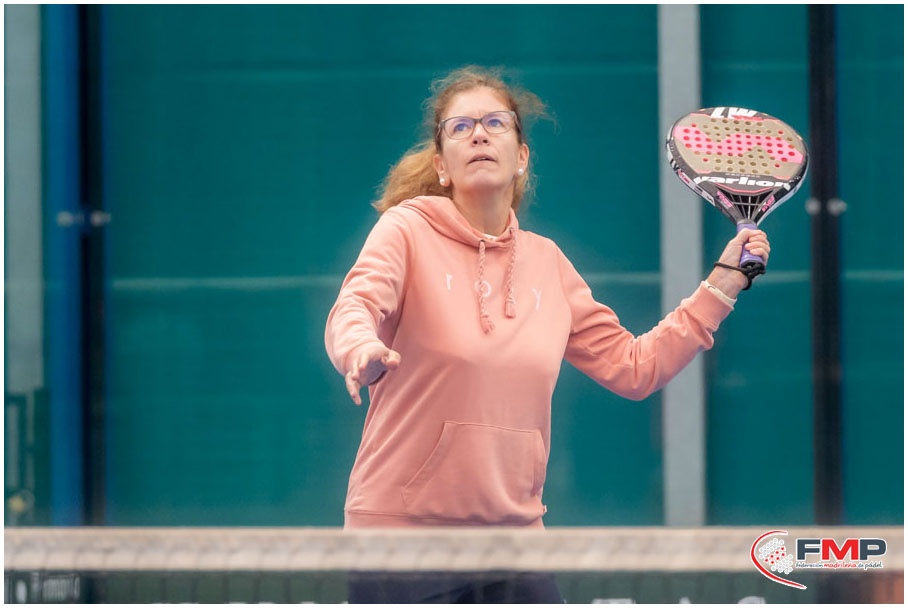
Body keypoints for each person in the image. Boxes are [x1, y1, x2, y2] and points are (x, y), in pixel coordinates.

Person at [324, 66, 770, 603]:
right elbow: (357, 304)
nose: (479, 134)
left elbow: (634, 368)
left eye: (495, 122)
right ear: (441, 166)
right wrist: (360, 348)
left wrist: (723, 283)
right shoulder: (406, 230)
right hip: (401, 544)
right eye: (460, 127)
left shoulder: (548, 264)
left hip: (517, 543)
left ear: (522, 157)